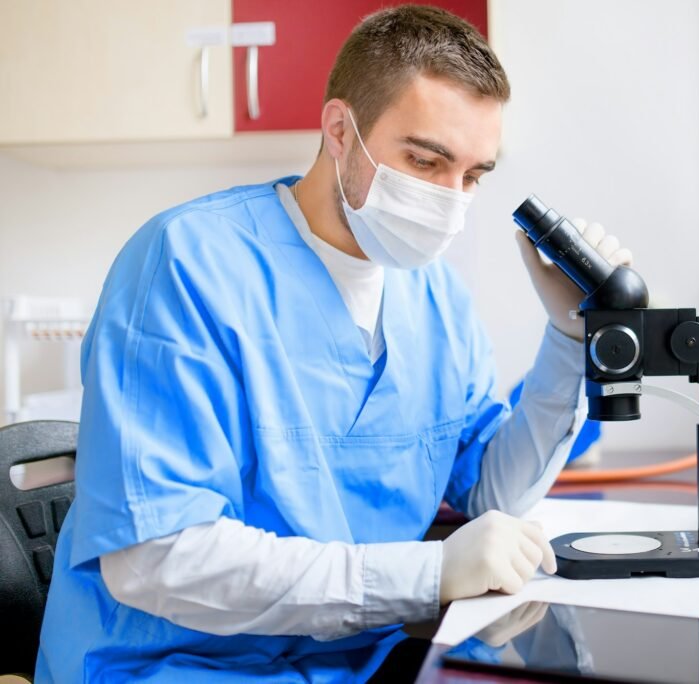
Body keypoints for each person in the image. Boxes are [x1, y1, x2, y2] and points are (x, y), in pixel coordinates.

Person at [35, 6, 632, 682]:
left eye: (472, 176)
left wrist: (568, 340)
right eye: (425, 161)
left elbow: (491, 493)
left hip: (350, 662)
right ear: (341, 131)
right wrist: (428, 572)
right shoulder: (186, 265)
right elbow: (156, 559)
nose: (451, 201)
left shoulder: (434, 297)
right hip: (177, 665)